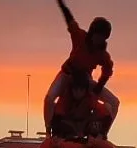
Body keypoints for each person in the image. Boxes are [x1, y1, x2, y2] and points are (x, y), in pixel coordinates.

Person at [44, 0, 117, 133]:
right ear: (92, 33)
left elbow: (107, 71)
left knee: (114, 102)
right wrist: (62, 5)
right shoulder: (80, 37)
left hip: (85, 80)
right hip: (67, 74)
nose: (99, 40)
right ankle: (48, 132)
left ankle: (103, 133)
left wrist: (98, 88)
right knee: (49, 99)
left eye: (103, 37)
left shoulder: (102, 54)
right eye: (98, 35)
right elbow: (70, 21)